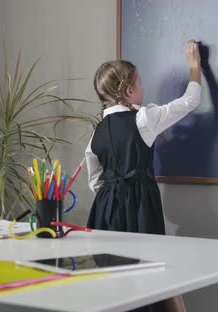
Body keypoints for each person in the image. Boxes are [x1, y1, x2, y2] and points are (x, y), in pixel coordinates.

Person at [85, 40, 202, 312]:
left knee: (117, 276)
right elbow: (190, 100)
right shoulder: (145, 119)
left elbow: (95, 181)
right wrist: (194, 66)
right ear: (128, 91)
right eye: (140, 84)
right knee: (151, 272)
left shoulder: (96, 133)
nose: (143, 89)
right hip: (139, 204)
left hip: (105, 209)